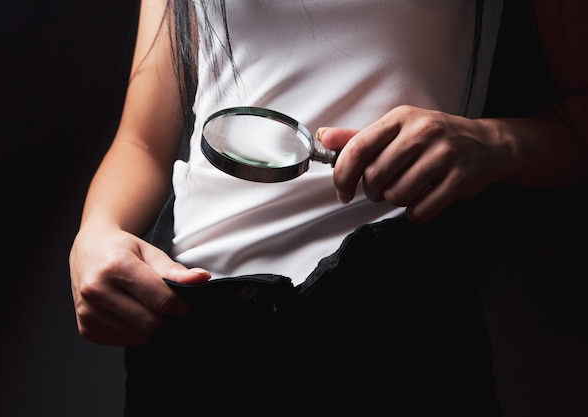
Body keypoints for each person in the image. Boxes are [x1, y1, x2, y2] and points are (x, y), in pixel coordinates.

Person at [68, 0, 587, 415]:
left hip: (392, 324)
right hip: (189, 328)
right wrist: (96, 234)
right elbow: (141, 141)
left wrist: (492, 142)